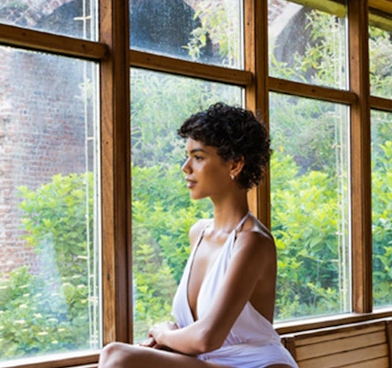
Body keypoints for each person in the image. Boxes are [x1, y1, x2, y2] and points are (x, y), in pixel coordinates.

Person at [98, 103, 298, 368]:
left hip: (256, 364)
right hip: (209, 363)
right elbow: (198, 327)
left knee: (117, 357)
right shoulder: (199, 233)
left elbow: (207, 338)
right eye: (187, 156)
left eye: (198, 157)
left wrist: (163, 334)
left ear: (235, 164)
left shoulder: (252, 242)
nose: (185, 167)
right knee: (115, 356)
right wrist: (174, 328)